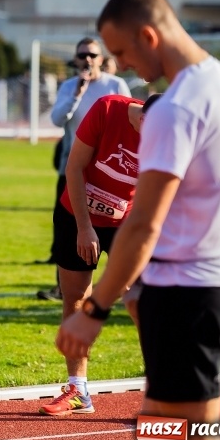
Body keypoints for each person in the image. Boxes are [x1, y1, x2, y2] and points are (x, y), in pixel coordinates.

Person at [56, 0, 220, 440]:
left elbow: (144, 222)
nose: (123, 65)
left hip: (184, 295)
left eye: (122, 52)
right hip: (215, 287)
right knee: (164, 431)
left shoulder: (173, 110)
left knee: (189, 436)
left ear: (149, 36)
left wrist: (94, 310)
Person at [39, 93, 150, 416]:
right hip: (76, 213)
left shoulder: (167, 135)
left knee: (140, 298)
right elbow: (74, 168)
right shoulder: (108, 109)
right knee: (75, 296)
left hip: (125, 221)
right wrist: (85, 228)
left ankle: (161, 387)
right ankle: (78, 389)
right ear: (143, 116)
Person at [36, 39, 131, 302]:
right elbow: (57, 119)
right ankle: (64, 286)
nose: (87, 59)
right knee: (67, 229)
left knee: (113, 231)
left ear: (101, 58)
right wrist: (76, 95)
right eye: (82, 55)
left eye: (92, 54)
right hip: (73, 168)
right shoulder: (69, 86)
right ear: (76, 59)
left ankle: (115, 288)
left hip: (109, 177)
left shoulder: (115, 85)